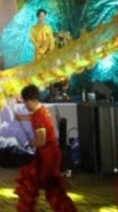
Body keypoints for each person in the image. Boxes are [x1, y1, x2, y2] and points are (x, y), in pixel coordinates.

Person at [14, 84, 76, 212]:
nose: (25, 106)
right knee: (35, 183)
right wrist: (21, 118)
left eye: (25, 103)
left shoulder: (39, 116)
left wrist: (32, 143)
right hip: (47, 154)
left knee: (47, 186)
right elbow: (33, 117)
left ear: (30, 101)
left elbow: (41, 141)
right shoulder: (41, 110)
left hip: (48, 156)